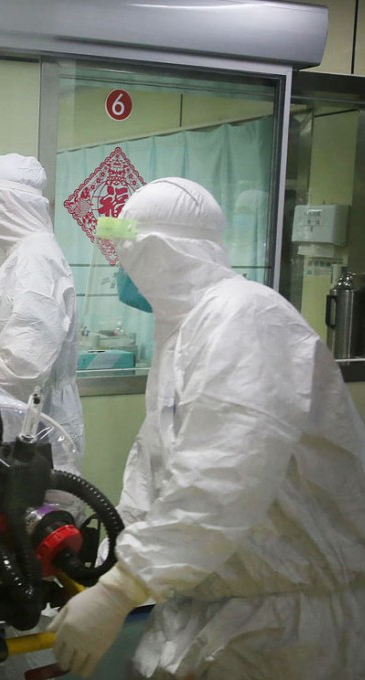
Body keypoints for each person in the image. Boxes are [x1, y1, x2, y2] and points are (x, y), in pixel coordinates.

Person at [50, 177, 365, 679]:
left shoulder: (246, 318)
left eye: (123, 250)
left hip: (283, 621)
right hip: (216, 603)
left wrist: (119, 590)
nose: (119, 268)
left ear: (154, 249)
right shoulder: (187, 327)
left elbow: (222, 478)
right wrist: (117, 559)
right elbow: (160, 466)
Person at [0, 154, 84, 471]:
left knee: (38, 513)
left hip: (37, 433)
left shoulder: (33, 261)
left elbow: (23, 365)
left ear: (7, 204)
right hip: (28, 423)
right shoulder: (28, 255)